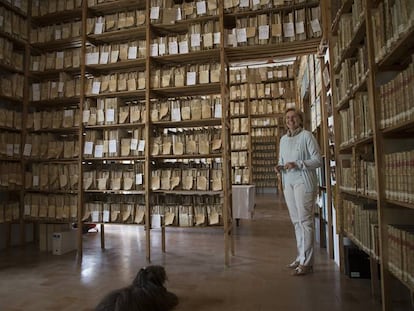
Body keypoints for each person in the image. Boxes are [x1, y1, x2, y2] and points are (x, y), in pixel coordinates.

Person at [275, 108, 322, 276]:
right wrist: (279, 167)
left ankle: (307, 262)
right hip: (289, 183)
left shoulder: (307, 136)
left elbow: (318, 160)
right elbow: (281, 160)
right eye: (287, 118)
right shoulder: (283, 140)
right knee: (296, 221)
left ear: (300, 119)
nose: (290, 120)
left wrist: (298, 164)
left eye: (293, 117)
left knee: (305, 221)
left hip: (304, 182)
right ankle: (301, 256)